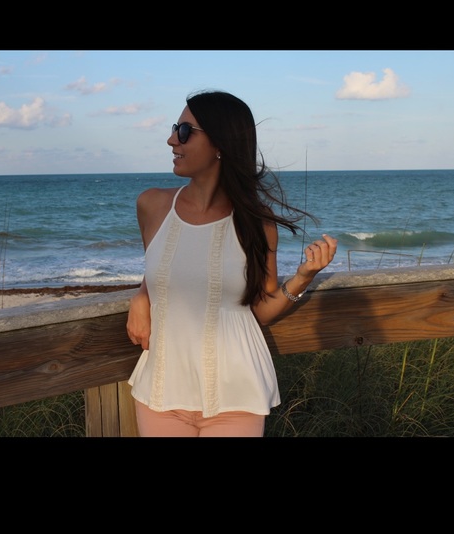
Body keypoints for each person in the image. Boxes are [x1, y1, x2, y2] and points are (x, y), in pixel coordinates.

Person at [126, 90, 337, 437]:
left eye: (184, 131)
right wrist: (142, 294)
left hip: (236, 395)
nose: (171, 140)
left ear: (220, 144)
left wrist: (304, 276)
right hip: (161, 392)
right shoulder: (151, 205)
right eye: (175, 129)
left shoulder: (257, 223)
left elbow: (262, 311)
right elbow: (164, 268)